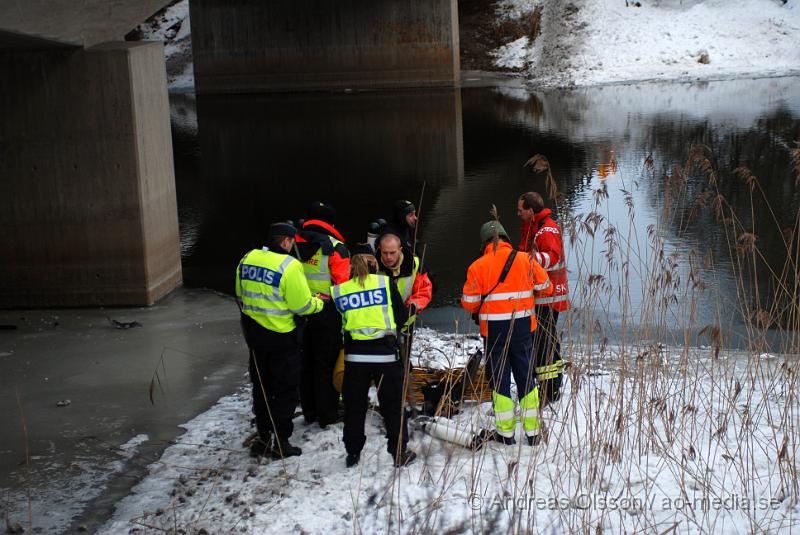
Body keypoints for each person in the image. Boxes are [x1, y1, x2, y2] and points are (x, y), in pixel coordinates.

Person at [235, 222, 324, 459]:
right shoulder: (290, 265)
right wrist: (319, 302)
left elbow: (241, 294)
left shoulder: (248, 258)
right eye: (292, 241)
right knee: (284, 390)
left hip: (255, 337)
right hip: (283, 339)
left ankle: (264, 437)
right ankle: (280, 441)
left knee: (262, 388)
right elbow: (301, 305)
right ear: (285, 241)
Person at [460, 221, 553, 445]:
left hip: (493, 331)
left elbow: (469, 304)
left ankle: (506, 434)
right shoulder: (525, 259)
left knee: (500, 379)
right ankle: (533, 433)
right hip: (522, 327)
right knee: (526, 377)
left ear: (484, 243)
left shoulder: (477, 266)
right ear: (505, 237)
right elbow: (547, 287)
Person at [332, 244, 417, 468]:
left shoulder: (340, 290)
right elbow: (400, 317)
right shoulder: (385, 283)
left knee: (355, 407)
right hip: (386, 357)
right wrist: (412, 312)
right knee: (392, 406)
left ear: (352, 264)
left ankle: (352, 453)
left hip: (355, 358)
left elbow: (338, 322)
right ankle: (399, 453)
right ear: (374, 262)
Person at [293, 202, 351, 428]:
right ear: (331, 223)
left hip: (299, 313)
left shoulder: (293, 243)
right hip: (327, 314)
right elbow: (342, 287)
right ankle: (327, 414)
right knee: (325, 364)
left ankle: (309, 411)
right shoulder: (336, 249)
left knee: (305, 362)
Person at [517, 192, 571, 404]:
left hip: (546, 298)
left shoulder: (546, 230)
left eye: (521, 209)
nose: (518, 212)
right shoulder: (534, 227)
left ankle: (550, 391)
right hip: (541, 297)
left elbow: (552, 258)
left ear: (531, 210)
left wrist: (526, 260)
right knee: (546, 342)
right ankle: (550, 385)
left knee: (544, 344)